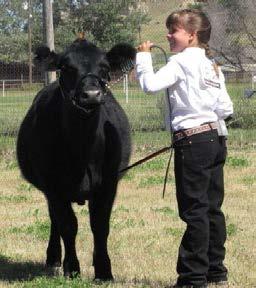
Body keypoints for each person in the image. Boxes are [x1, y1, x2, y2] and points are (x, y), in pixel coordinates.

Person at [136, 9, 233, 288]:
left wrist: (143, 56)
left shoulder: (179, 63)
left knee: (195, 210)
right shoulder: (213, 66)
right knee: (212, 207)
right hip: (214, 139)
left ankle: (192, 277)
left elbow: (149, 85)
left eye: (173, 30)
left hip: (192, 142)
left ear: (191, 36)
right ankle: (216, 271)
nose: (168, 35)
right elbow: (225, 107)